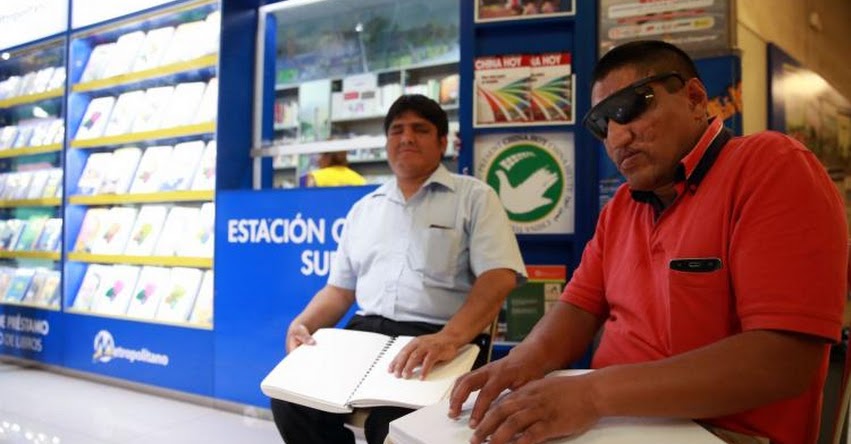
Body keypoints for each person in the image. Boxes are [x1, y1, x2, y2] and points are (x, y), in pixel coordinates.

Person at [449, 40, 847, 444]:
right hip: (616, 423)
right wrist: (520, 362)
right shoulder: (620, 208)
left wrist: (592, 394)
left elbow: (782, 360)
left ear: (694, 98)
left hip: (726, 432)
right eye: (602, 124)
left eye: (631, 107)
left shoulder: (770, 167)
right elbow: (578, 308)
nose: (618, 136)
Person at [271, 94, 526, 444]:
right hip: (364, 337)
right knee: (291, 397)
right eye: (396, 130)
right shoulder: (364, 209)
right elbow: (339, 290)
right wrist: (303, 323)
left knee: (394, 424)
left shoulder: (475, 198)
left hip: (437, 335)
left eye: (420, 129)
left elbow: (499, 277)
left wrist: (449, 338)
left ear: (442, 142)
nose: (406, 138)